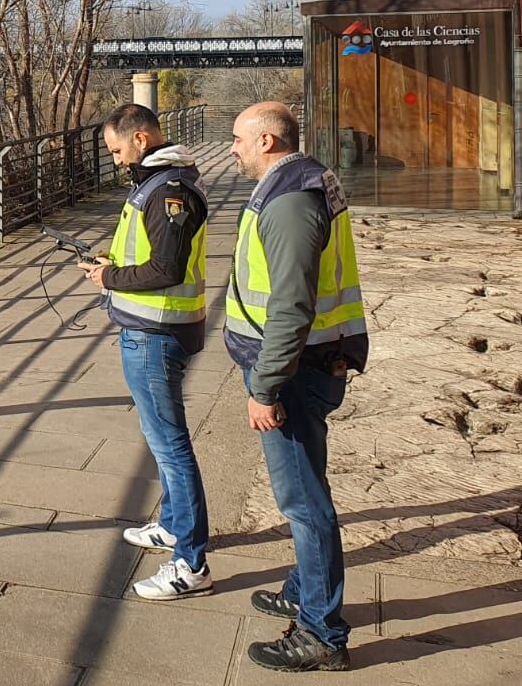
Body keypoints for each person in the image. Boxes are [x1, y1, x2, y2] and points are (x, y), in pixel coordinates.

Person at [226, 102, 369, 673]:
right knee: (307, 493)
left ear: (265, 140)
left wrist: (264, 387)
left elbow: (290, 307)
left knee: (305, 503)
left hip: (289, 372)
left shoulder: (288, 202)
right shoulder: (299, 185)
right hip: (305, 364)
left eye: (237, 138)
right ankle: (301, 590)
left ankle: (322, 633)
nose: (230, 146)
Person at [78, 102, 211, 601]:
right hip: (154, 328)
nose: (114, 160)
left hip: (157, 333)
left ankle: (191, 563)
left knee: (170, 446)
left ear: (139, 139)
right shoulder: (159, 183)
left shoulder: (168, 189)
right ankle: (176, 526)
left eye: (116, 149)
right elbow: (155, 256)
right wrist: (111, 262)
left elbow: (167, 269)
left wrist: (108, 277)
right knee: (162, 439)